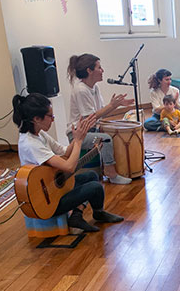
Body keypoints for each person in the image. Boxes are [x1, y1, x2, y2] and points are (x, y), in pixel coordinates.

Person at [14, 92, 123, 231]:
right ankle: (82, 216)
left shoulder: (39, 134)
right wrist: (77, 142)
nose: (53, 119)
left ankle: (88, 214)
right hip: (46, 203)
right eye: (50, 116)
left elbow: (64, 152)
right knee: (95, 186)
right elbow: (69, 167)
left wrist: (80, 134)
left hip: (52, 188)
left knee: (91, 176)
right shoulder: (30, 143)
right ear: (36, 118)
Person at [67, 53, 134, 185]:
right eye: (99, 67)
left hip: (90, 130)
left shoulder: (94, 88)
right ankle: (110, 173)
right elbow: (90, 118)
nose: (102, 70)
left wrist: (117, 105)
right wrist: (112, 105)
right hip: (77, 135)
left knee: (114, 131)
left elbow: (101, 112)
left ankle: (117, 168)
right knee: (106, 139)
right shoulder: (81, 90)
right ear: (89, 70)